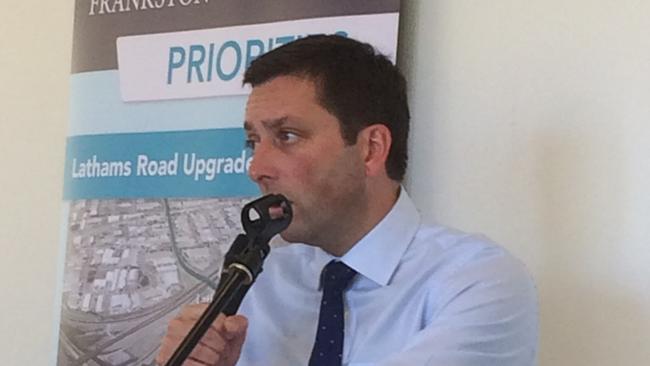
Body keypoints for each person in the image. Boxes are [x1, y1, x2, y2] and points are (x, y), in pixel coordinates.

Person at [156, 35, 538, 366]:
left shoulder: (478, 283)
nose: (257, 167)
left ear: (371, 149)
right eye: (253, 142)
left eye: (287, 136)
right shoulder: (261, 280)